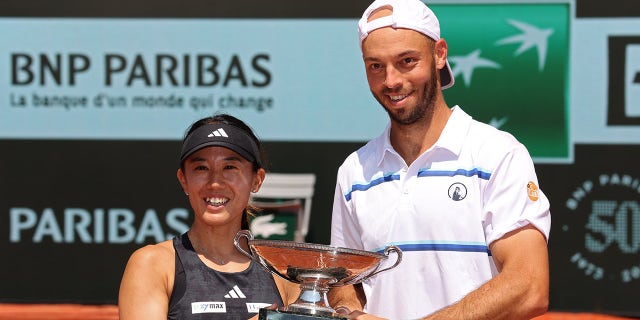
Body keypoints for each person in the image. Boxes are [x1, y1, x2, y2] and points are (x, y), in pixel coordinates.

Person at [329, 0, 551, 319]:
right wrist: (350, 313)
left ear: (439, 54)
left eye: (406, 61)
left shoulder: (498, 153)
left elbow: (529, 286)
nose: (391, 80)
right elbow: (344, 280)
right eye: (375, 65)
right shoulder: (354, 171)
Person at [118, 114, 351, 319]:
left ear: (257, 180)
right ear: (183, 179)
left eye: (230, 167)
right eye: (201, 168)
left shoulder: (281, 272)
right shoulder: (153, 264)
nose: (215, 182)